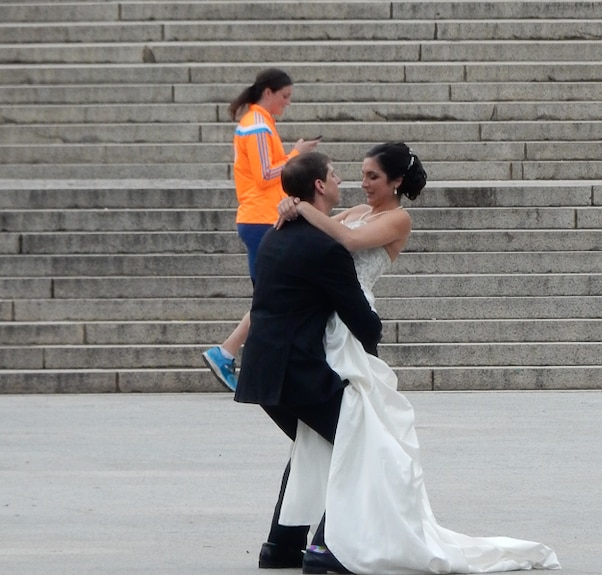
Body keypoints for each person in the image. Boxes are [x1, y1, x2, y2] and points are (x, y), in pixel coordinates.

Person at [274, 143, 561, 574]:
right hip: (323, 325)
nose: (364, 183)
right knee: (328, 434)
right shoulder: (353, 209)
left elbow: (348, 241)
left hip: (350, 328)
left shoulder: (397, 219)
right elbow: (323, 241)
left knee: (357, 435)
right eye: (361, 174)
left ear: (396, 182)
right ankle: (294, 540)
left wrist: (301, 208)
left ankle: (317, 541)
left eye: (372, 176)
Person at [234, 151, 383, 571]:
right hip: (296, 372)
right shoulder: (325, 248)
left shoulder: (275, 234)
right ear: (319, 185)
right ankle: (324, 547)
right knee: (359, 444)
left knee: (312, 444)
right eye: (335, 175)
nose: (342, 181)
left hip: (263, 372)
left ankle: (281, 546)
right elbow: (362, 323)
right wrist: (371, 345)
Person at [202, 67, 319, 392]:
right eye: (284, 96)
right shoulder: (255, 126)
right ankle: (228, 352)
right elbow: (266, 174)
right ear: (268, 92)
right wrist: (297, 155)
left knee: (272, 294)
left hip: (263, 216)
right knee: (271, 295)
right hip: (260, 218)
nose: (287, 103)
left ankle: (231, 353)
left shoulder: (259, 123)